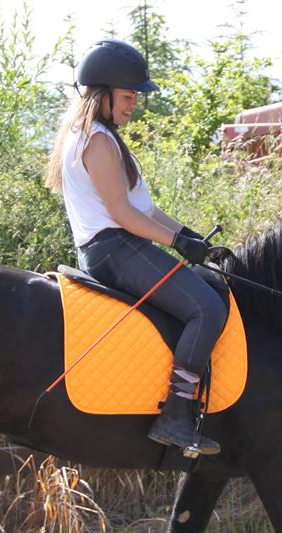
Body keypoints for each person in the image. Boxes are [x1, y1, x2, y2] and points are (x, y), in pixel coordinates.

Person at [45, 39, 226, 456]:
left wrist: (191, 239)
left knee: (206, 284)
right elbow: (123, 215)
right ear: (103, 95)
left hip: (118, 245)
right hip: (115, 248)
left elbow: (146, 209)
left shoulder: (96, 136)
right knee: (207, 308)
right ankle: (176, 415)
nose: (133, 106)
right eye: (128, 97)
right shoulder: (98, 142)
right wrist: (178, 243)